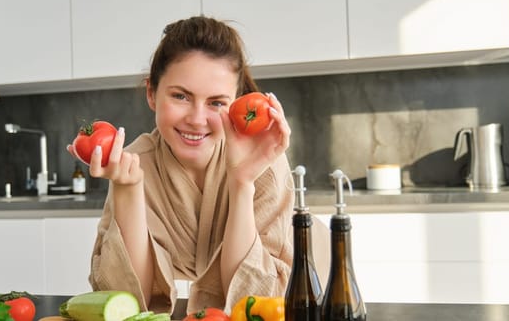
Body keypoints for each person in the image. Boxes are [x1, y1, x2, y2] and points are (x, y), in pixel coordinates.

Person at [67, 16, 329, 314]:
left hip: (310, 292)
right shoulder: (137, 162)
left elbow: (255, 300)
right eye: (180, 96)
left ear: (235, 103)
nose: (196, 118)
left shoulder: (261, 157)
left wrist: (242, 182)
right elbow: (124, 302)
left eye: (216, 103)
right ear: (152, 93)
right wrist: (127, 189)